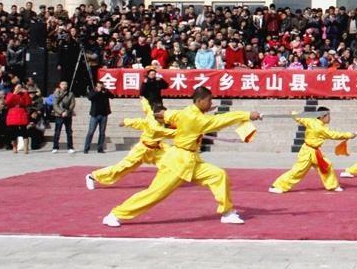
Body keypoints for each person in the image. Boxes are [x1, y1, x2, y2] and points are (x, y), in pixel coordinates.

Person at [102, 86, 261, 227]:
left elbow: (170, 114)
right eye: (209, 100)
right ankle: (116, 214)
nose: (210, 103)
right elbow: (222, 120)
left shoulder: (186, 111)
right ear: (199, 101)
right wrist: (247, 115)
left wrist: (163, 114)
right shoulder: (196, 118)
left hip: (191, 161)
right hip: (177, 162)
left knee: (218, 175)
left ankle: (227, 212)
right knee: (154, 194)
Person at [87, 98, 175, 190]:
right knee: (123, 167)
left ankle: (168, 182)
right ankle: (93, 176)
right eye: (164, 116)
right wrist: (126, 122)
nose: (166, 118)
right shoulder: (155, 127)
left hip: (156, 150)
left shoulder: (152, 116)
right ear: (157, 116)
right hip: (142, 150)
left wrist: (143, 100)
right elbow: (170, 133)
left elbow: (147, 108)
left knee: (170, 162)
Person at [268, 107, 354, 194]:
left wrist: (293, 112)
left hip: (315, 152)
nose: (329, 118)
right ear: (322, 116)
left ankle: (333, 186)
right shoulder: (321, 128)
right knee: (298, 170)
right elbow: (334, 135)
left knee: (326, 166)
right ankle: (277, 186)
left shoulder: (311, 121)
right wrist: (349, 135)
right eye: (328, 115)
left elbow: (300, 118)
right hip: (307, 152)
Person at [83, 80, 114, 154]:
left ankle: (100, 148)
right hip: (95, 115)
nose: (100, 87)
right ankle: (86, 148)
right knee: (91, 131)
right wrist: (97, 92)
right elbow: (90, 97)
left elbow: (112, 96)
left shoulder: (105, 91)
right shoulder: (93, 91)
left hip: (104, 114)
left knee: (102, 132)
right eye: (98, 85)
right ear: (96, 86)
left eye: (101, 85)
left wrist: (106, 91)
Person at [4, 83, 32, 154]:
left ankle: (26, 148)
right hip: (13, 112)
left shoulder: (24, 94)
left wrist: (26, 93)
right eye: (18, 87)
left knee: (24, 130)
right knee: (13, 131)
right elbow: (7, 102)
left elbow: (28, 103)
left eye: (20, 87)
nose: (19, 89)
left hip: (21, 112)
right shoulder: (10, 94)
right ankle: (14, 146)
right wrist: (14, 93)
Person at [51, 80, 76, 154]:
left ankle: (70, 147)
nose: (64, 86)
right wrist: (61, 112)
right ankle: (55, 147)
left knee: (69, 132)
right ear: (60, 85)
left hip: (67, 115)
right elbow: (55, 105)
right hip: (59, 115)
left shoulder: (70, 94)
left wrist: (67, 112)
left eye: (65, 84)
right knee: (57, 132)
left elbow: (72, 104)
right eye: (62, 84)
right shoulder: (56, 93)